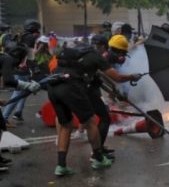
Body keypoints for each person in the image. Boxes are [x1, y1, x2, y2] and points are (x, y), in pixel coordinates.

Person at [47, 34, 142, 176]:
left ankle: (61, 166)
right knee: (91, 121)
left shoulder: (78, 51)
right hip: (71, 87)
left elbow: (98, 77)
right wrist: (132, 76)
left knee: (66, 126)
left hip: (53, 86)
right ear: (104, 46)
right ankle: (98, 158)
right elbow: (116, 77)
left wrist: (114, 90)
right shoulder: (96, 56)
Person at [0, 42, 41, 172]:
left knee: (1, 125)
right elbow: (8, 80)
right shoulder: (7, 59)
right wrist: (26, 85)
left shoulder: (3, 58)